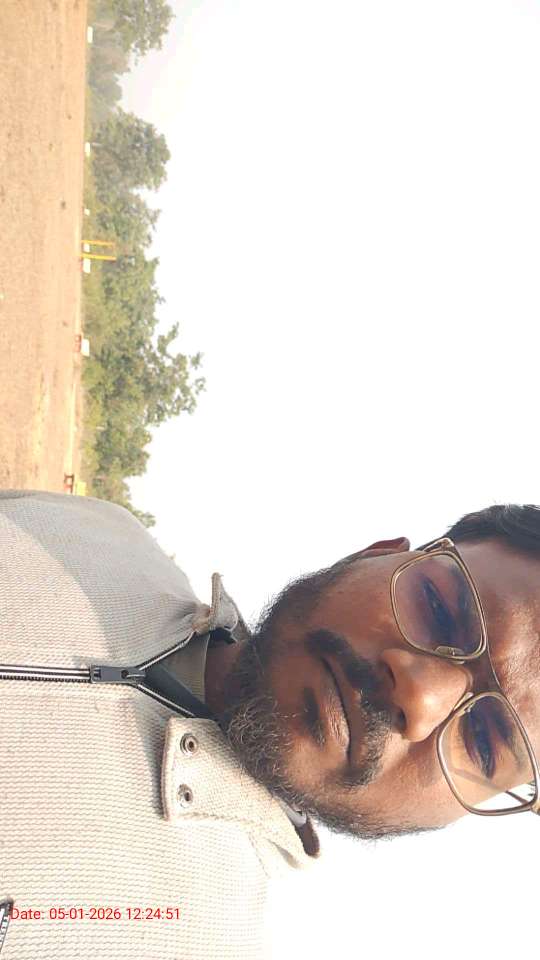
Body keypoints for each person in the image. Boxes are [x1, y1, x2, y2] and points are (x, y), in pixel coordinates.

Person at [1, 492, 539, 959]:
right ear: (374, 554)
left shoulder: (190, 945)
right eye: (438, 608)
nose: (418, 696)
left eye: (485, 741)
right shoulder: (96, 531)